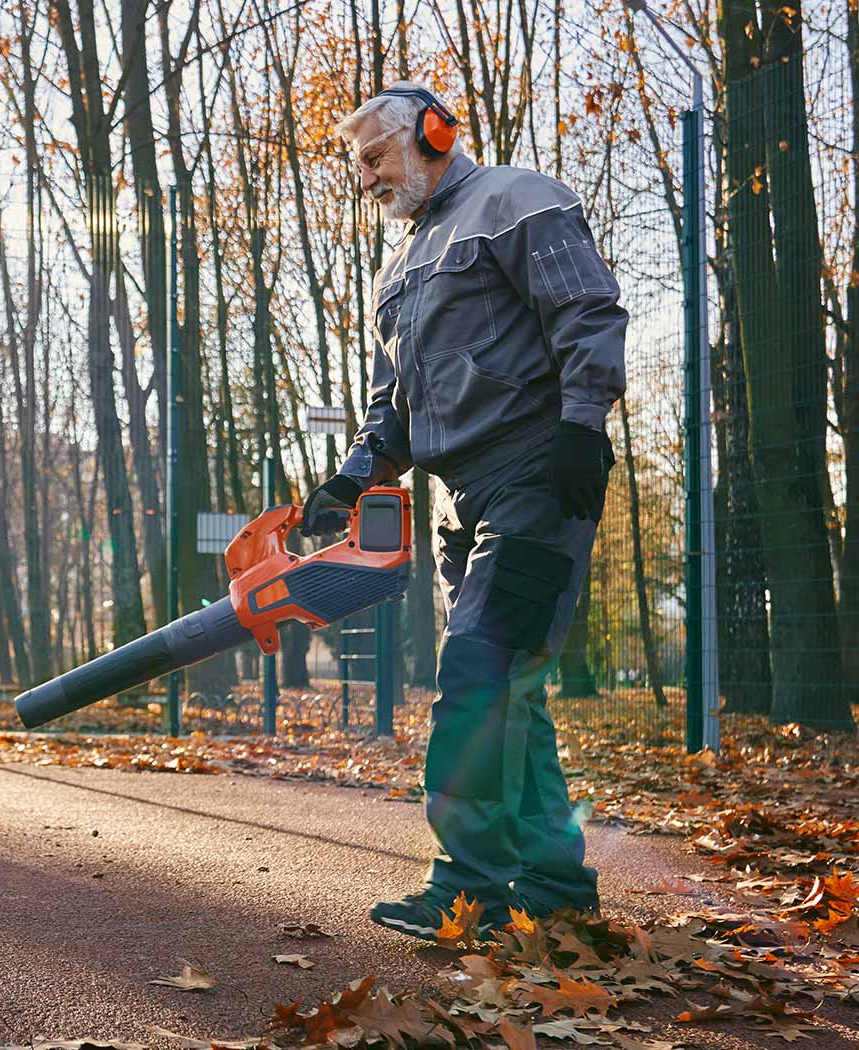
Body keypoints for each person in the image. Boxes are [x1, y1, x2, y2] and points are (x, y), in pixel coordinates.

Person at [302, 82, 626, 941]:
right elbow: (394, 405)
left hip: (539, 475)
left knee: (478, 674)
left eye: (376, 156)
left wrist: (582, 425)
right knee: (512, 686)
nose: (366, 177)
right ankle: (554, 882)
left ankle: (468, 886)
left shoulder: (517, 201)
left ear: (434, 133)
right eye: (359, 164)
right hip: (463, 497)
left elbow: (587, 310)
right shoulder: (397, 269)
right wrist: (351, 480)